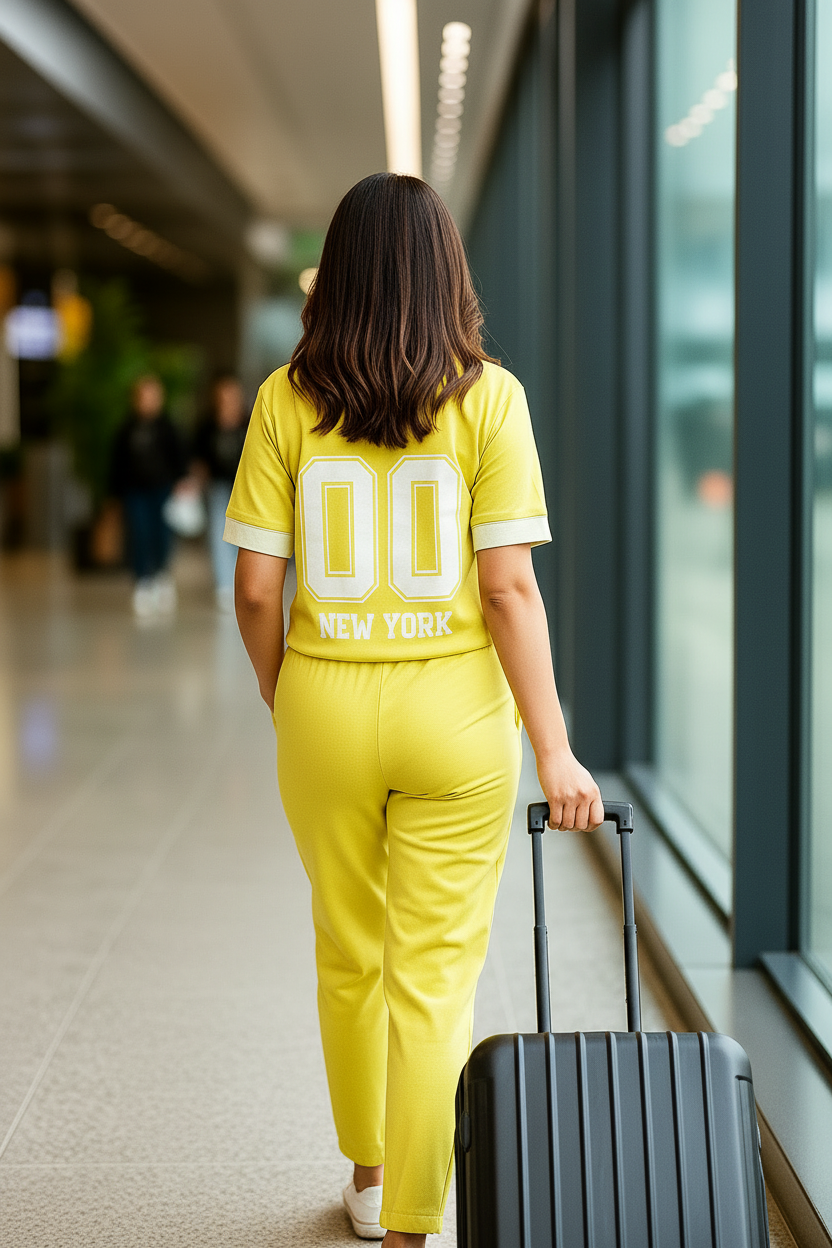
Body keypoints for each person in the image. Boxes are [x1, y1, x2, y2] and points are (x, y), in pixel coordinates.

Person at [225, 174, 603, 1247]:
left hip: (326, 702)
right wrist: (558, 749)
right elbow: (507, 589)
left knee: (350, 948)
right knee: (434, 971)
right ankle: (410, 1225)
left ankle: (367, 1169)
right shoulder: (492, 400)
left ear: (333, 275)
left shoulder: (281, 400)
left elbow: (256, 589)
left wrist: (284, 689)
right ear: (449, 272)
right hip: (457, 716)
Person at [110, 374, 187, 618]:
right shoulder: (127, 429)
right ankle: (142, 580)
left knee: (162, 533)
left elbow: (179, 458)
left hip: (162, 489)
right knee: (139, 533)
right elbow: (117, 463)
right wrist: (113, 494)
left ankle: (161, 575)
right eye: (144, 396)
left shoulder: (168, 427)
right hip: (135, 491)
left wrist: (181, 482)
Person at [191, 371, 249, 610]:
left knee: (243, 536)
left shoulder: (249, 421)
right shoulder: (208, 425)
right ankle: (224, 585)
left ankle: (240, 581)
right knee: (219, 534)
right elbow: (199, 458)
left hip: (244, 486)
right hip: (218, 486)